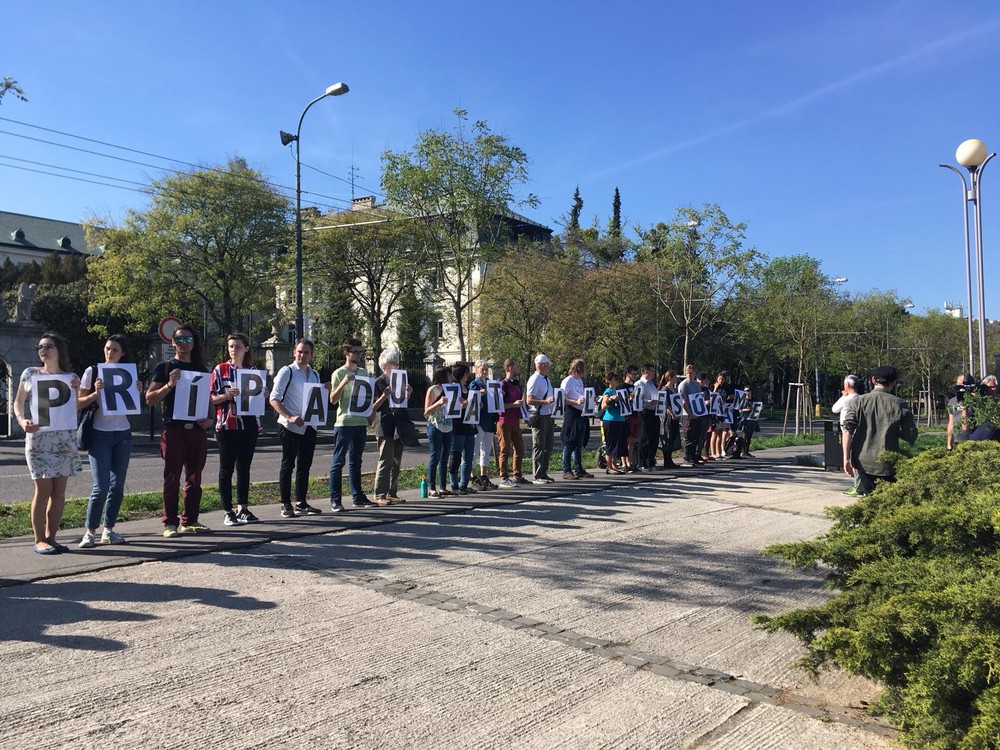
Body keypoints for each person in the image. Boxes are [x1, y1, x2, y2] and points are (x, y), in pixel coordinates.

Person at [13, 332, 81, 554]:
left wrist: (77, 389)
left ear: (59, 350)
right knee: (42, 490)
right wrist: (22, 421)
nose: (43, 350)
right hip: (39, 439)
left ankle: (52, 538)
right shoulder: (30, 374)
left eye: (49, 346)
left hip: (64, 439)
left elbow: (74, 407)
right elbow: (18, 402)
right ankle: (38, 539)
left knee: (59, 492)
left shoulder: (70, 377)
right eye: (40, 347)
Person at [146, 324, 213, 537]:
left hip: (197, 430)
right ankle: (170, 523)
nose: (184, 343)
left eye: (188, 339)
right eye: (180, 339)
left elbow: (207, 398)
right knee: (172, 477)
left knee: (195, 477)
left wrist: (209, 419)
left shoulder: (202, 368)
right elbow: (149, 399)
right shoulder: (165, 367)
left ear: (194, 343)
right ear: (173, 342)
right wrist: (169, 385)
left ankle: (190, 520)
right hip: (174, 429)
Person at [77, 334, 133, 548]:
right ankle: (90, 531)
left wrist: (137, 392)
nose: (109, 353)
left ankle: (108, 529)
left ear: (123, 353)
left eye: (115, 350)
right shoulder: (93, 371)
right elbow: (79, 403)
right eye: (107, 348)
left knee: (117, 486)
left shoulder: (128, 373)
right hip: (99, 433)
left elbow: (133, 404)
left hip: (123, 433)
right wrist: (95, 393)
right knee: (100, 486)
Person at [843, 365, 918, 496]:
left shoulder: (858, 402)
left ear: (873, 380)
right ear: (893, 383)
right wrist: (895, 431)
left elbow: (847, 430)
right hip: (888, 462)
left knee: (869, 501)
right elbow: (911, 435)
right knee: (888, 503)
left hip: (862, 461)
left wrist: (846, 459)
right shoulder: (899, 404)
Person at [211, 333, 261, 526]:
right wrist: (226, 395)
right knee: (226, 468)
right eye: (231, 346)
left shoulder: (253, 371)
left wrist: (262, 393)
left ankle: (243, 507)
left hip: (249, 424)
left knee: (244, 468)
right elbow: (212, 398)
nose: (233, 350)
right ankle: (227, 510)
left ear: (246, 348)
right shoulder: (221, 369)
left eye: (237, 346)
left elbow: (256, 398)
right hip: (228, 424)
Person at [269, 338, 322, 518]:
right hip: (289, 426)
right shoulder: (287, 371)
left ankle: (301, 501)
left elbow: (315, 400)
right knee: (288, 464)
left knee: (304, 465)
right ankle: (285, 503)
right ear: (294, 352)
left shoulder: (314, 374)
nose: (302, 355)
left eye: (306, 352)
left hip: (309, 426)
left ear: (311, 355)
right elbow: (274, 398)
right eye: (300, 351)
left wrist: (325, 390)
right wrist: (289, 417)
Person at [329, 338, 374, 511]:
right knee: (338, 461)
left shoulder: (364, 373)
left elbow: (366, 397)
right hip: (344, 422)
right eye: (355, 351)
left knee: (356, 461)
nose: (358, 354)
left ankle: (358, 496)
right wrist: (343, 382)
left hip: (360, 422)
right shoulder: (339, 373)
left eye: (360, 351)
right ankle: (335, 499)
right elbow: (333, 400)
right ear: (346, 353)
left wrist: (371, 413)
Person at [371, 349, 415, 505]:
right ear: (385, 365)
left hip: (399, 423)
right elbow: (373, 407)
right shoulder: (378, 382)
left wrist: (408, 394)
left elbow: (401, 404)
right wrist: (384, 396)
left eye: (397, 362)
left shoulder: (400, 381)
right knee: (385, 459)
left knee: (396, 460)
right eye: (393, 363)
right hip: (384, 424)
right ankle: (379, 494)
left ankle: (392, 492)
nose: (396, 365)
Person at [424, 366, 454, 498]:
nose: (452, 378)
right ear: (443, 376)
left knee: (444, 457)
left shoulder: (452, 389)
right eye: (450, 375)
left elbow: (454, 407)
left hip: (448, 426)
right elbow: (426, 412)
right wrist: (438, 403)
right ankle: (431, 488)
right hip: (435, 426)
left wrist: (461, 404)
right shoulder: (433, 390)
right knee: (435, 456)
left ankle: (443, 487)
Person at [468, 360, 499, 490]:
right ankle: (471, 476)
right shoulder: (474, 384)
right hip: (479, 420)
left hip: (489, 419)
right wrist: (481, 394)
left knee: (486, 450)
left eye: (486, 368)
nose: (485, 371)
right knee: (475, 450)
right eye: (482, 368)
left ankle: (484, 476)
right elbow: (472, 398)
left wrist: (499, 395)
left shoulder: (491, 384)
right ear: (476, 370)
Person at [526, 354, 556, 484]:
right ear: (542, 365)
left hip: (548, 414)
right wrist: (545, 401)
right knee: (539, 444)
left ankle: (543, 472)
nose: (548, 367)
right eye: (547, 365)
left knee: (547, 445)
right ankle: (537, 474)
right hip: (540, 415)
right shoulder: (534, 379)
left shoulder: (545, 379)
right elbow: (529, 399)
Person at [497, 359, 527, 488]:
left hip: (515, 421)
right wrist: (512, 405)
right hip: (504, 421)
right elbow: (498, 406)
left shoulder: (517, 385)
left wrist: (525, 415)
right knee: (505, 449)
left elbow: (520, 403)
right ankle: (503, 477)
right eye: (516, 366)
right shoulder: (502, 384)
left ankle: (517, 475)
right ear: (509, 367)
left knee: (519, 448)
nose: (518, 368)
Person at [448, 363, 478, 494]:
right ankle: (454, 484)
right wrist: (462, 406)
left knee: (468, 456)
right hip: (457, 426)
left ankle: (464, 484)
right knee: (456, 455)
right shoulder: (454, 388)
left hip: (469, 425)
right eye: (466, 373)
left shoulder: (467, 387)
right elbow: (451, 407)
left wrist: (477, 405)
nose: (468, 375)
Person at [560, 358, 591, 480]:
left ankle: (578, 468)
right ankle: (566, 469)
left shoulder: (580, 381)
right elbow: (562, 398)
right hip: (571, 412)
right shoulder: (568, 381)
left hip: (581, 411)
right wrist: (575, 401)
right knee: (569, 441)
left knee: (579, 441)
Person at [831, 375, 862, 494]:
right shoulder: (860, 398)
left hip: (848, 430)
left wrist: (843, 396)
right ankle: (858, 485)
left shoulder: (846, 399)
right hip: (859, 430)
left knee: (851, 458)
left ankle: (857, 486)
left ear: (847, 385)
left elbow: (834, 409)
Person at [678, 364, 705, 467]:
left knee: (696, 437)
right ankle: (687, 458)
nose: (689, 374)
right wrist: (690, 414)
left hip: (697, 413)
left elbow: (698, 398)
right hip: (687, 414)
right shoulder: (683, 385)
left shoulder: (696, 385)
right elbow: (683, 401)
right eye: (687, 373)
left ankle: (694, 457)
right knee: (688, 437)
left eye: (691, 373)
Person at [601, 372, 627, 474]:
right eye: (615, 379)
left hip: (619, 420)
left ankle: (614, 465)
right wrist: (610, 400)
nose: (617, 381)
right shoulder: (608, 392)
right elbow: (603, 406)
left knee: (617, 444)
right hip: (611, 420)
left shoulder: (619, 391)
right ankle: (609, 466)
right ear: (610, 381)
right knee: (610, 443)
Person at [636, 364, 660, 470]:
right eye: (651, 371)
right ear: (645, 371)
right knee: (644, 437)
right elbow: (638, 401)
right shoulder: (639, 384)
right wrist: (649, 402)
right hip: (644, 412)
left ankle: (651, 461)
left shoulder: (652, 384)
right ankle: (642, 462)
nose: (653, 373)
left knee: (654, 437)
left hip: (654, 412)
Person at [946, 373, 976, 450]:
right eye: (958, 384)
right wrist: (949, 444)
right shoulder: (952, 401)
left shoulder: (975, 400)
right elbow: (951, 422)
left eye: (963, 384)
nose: (960, 386)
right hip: (957, 441)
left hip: (971, 440)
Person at [658, 370, 680, 468]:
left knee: (673, 437)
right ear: (670, 378)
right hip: (668, 417)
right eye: (674, 377)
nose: (676, 379)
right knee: (668, 437)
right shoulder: (665, 389)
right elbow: (665, 404)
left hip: (675, 416)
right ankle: (667, 460)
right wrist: (671, 413)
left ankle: (670, 459)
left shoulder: (674, 389)